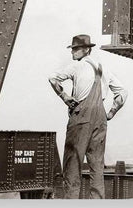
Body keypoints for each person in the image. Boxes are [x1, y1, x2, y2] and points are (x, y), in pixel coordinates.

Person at [48, 34, 128, 199]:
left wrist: (64, 96)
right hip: (100, 120)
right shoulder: (103, 68)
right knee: (97, 166)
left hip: (81, 118)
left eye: (75, 49)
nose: (72, 53)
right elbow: (122, 92)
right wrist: (111, 112)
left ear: (86, 50)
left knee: (72, 165)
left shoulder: (77, 66)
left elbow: (52, 78)